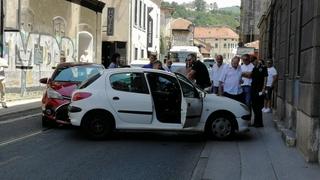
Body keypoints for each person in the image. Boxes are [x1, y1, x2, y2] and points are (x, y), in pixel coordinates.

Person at [251, 59, 268, 127]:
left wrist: (264, 88)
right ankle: (256, 122)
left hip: (260, 89)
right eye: (254, 62)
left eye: (255, 61)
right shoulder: (254, 68)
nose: (254, 63)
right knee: (254, 106)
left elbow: (265, 78)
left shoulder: (263, 68)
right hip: (253, 89)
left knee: (258, 106)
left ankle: (260, 123)